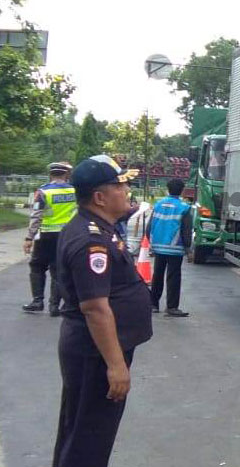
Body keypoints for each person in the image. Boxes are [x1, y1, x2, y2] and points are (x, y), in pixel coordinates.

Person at [53, 155, 152, 467]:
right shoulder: (90, 240)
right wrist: (116, 365)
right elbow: (95, 308)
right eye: (120, 185)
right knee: (90, 437)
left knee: (84, 431)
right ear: (99, 197)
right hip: (95, 354)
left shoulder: (100, 228)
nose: (126, 190)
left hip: (96, 350)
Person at [22, 162, 75, 316]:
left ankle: (38, 301)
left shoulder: (43, 192)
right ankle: (54, 306)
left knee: (37, 266)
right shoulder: (74, 191)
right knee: (58, 269)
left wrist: (29, 237)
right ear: (66, 175)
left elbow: (36, 215)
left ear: (51, 174)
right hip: (65, 235)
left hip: (46, 234)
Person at [145, 179, 192, 317]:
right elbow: (186, 231)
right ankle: (171, 307)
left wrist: (151, 243)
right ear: (182, 190)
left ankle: (153, 304)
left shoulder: (158, 205)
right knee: (173, 277)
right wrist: (188, 249)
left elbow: (149, 227)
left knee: (157, 275)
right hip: (175, 248)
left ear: (167, 189)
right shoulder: (184, 207)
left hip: (158, 247)